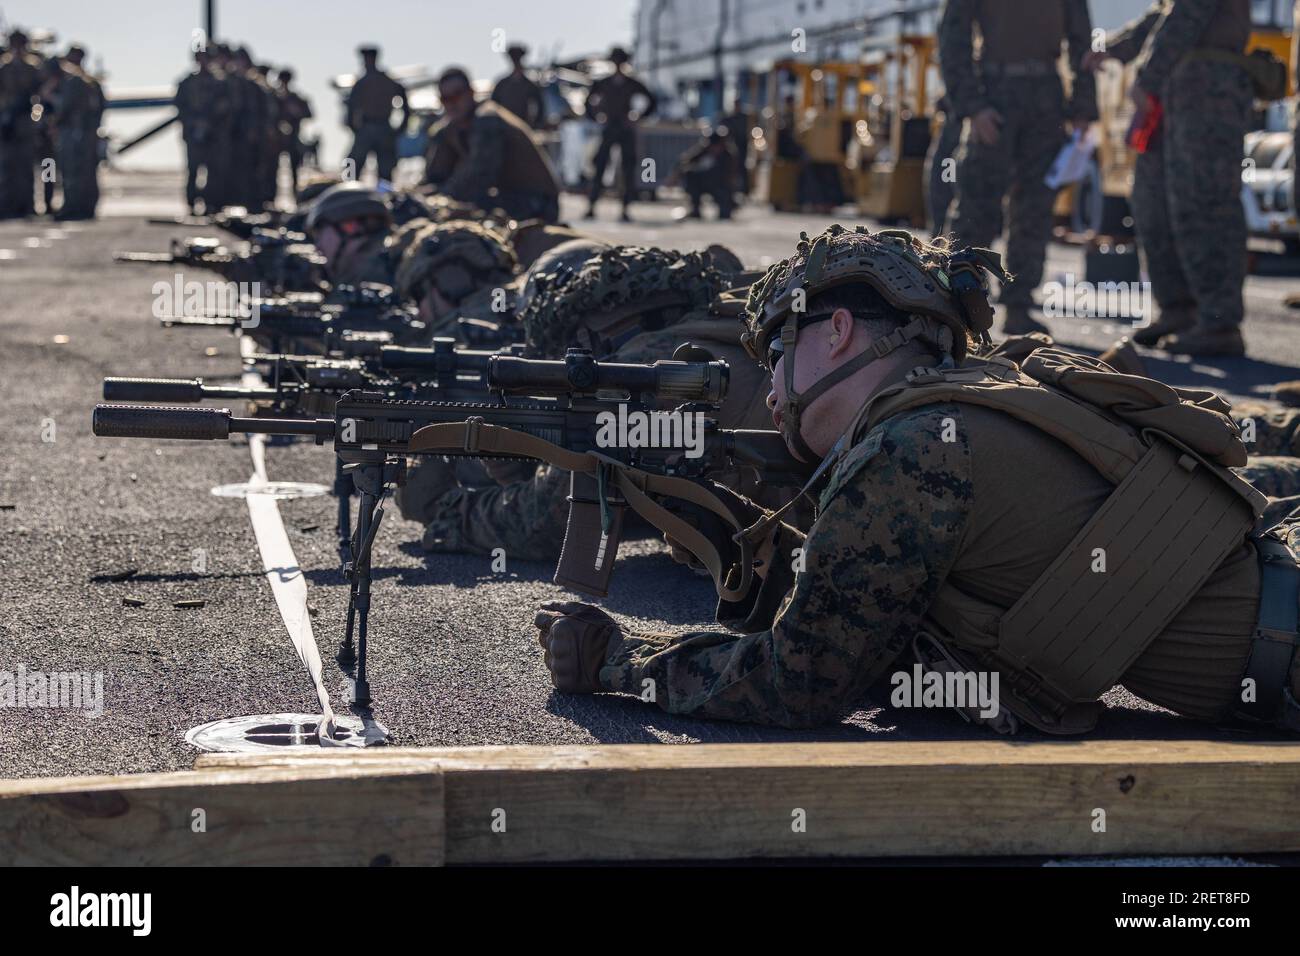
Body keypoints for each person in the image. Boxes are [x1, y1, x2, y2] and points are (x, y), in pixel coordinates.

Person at [531, 223, 1300, 737]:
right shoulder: (985, 396)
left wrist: (621, 658)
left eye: (776, 355)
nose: (769, 392)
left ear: (835, 333)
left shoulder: (909, 450)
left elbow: (803, 680)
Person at [404, 245, 784, 560]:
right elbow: (639, 493)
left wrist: (445, 510)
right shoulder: (719, 324)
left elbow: (546, 521)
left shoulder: (635, 373)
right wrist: (515, 462)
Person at [1087, 0, 1254, 357]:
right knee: (1153, 202)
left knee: (1204, 202)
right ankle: (1179, 309)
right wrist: (1113, 47)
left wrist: (1147, 76)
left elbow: (1190, 12)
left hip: (1209, 87)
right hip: (1174, 89)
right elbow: (1164, 14)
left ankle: (1219, 321)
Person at [939, 0, 1098, 335]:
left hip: (1046, 98)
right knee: (976, 201)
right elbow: (953, 35)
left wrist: (1082, 108)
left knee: (1035, 206)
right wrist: (972, 106)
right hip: (994, 92)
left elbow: (1081, 39)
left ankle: (1019, 302)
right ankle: (958, 302)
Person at [424, 66, 561, 223]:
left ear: (471, 93)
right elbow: (436, 176)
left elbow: (480, 177)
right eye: (446, 99)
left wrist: (440, 198)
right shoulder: (452, 129)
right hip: (510, 196)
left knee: (467, 208)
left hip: (538, 202)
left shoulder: (487, 119)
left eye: (457, 95)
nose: (452, 104)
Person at [583, 47, 657, 222]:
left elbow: (652, 101)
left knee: (627, 169)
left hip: (625, 129)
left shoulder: (632, 83)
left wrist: (638, 117)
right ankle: (592, 206)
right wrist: (596, 116)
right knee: (600, 166)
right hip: (609, 128)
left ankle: (625, 208)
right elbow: (588, 102)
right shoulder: (604, 83)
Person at [303, 181, 395, 285]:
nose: (318, 246)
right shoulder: (388, 266)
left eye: (319, 235)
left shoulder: (372, 279)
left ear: (349, 226)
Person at [50, 44, 102, 220]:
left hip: (74, 132)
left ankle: (74, 207)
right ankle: (84, 207)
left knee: (73, 171)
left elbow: (65, 108)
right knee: (85, 172)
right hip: (84, 132)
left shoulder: (74, 81)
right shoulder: (90, 81)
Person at [346, 45, 409, 183]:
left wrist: (400, 128)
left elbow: (350, 110)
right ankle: (348, 192)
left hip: (377, 128)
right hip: (375, 128)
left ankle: (384, 199)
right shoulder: (382, 81)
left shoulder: (366, 83)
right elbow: (350, 110)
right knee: (351, 165)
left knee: (383, 171)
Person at [0, 29, 44, 219]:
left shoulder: (33, 68)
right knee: (6, 165)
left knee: (26, 165)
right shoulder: (4, 68)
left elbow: (40, 94)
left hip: (25, 120)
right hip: (6, 120)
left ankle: (27, 205)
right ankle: (7, 205)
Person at [174, 49, 224, 213]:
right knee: (193, 168)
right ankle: (191, 202)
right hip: (193, 132)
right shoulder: (187, 83)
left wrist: (210, 122)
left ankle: (210, 203)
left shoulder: (218, 83)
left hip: (213, 134)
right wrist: (193, 122)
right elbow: (180, 106)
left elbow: (224, 107)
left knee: (213, 169)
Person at [673, 126, 739, 220]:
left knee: (725, 212)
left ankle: (726, 209)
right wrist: (676, 175)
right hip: (704, 183)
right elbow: (685, 161)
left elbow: (731, 177)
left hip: (721, 185)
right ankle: (695, 210)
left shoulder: (728, 156)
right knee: (690, 174)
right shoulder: (705, 150)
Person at [273, 68, 312, 196]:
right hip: (276, 138)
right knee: (272, 168)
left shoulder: (296, 98)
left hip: (293, 138)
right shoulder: (274, 97)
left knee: (295, 167)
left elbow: (308, 114)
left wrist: (296, 112)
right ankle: (272, 197)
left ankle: (296, 197)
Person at [491, 43, 545, 129]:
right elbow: (493, 106)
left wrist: (535, 125)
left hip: (523, 129)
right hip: (504, 129)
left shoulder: (529, 85)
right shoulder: (502, 84)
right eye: (513, 57)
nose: (515, 60)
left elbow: (540, 108)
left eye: (517, 56)